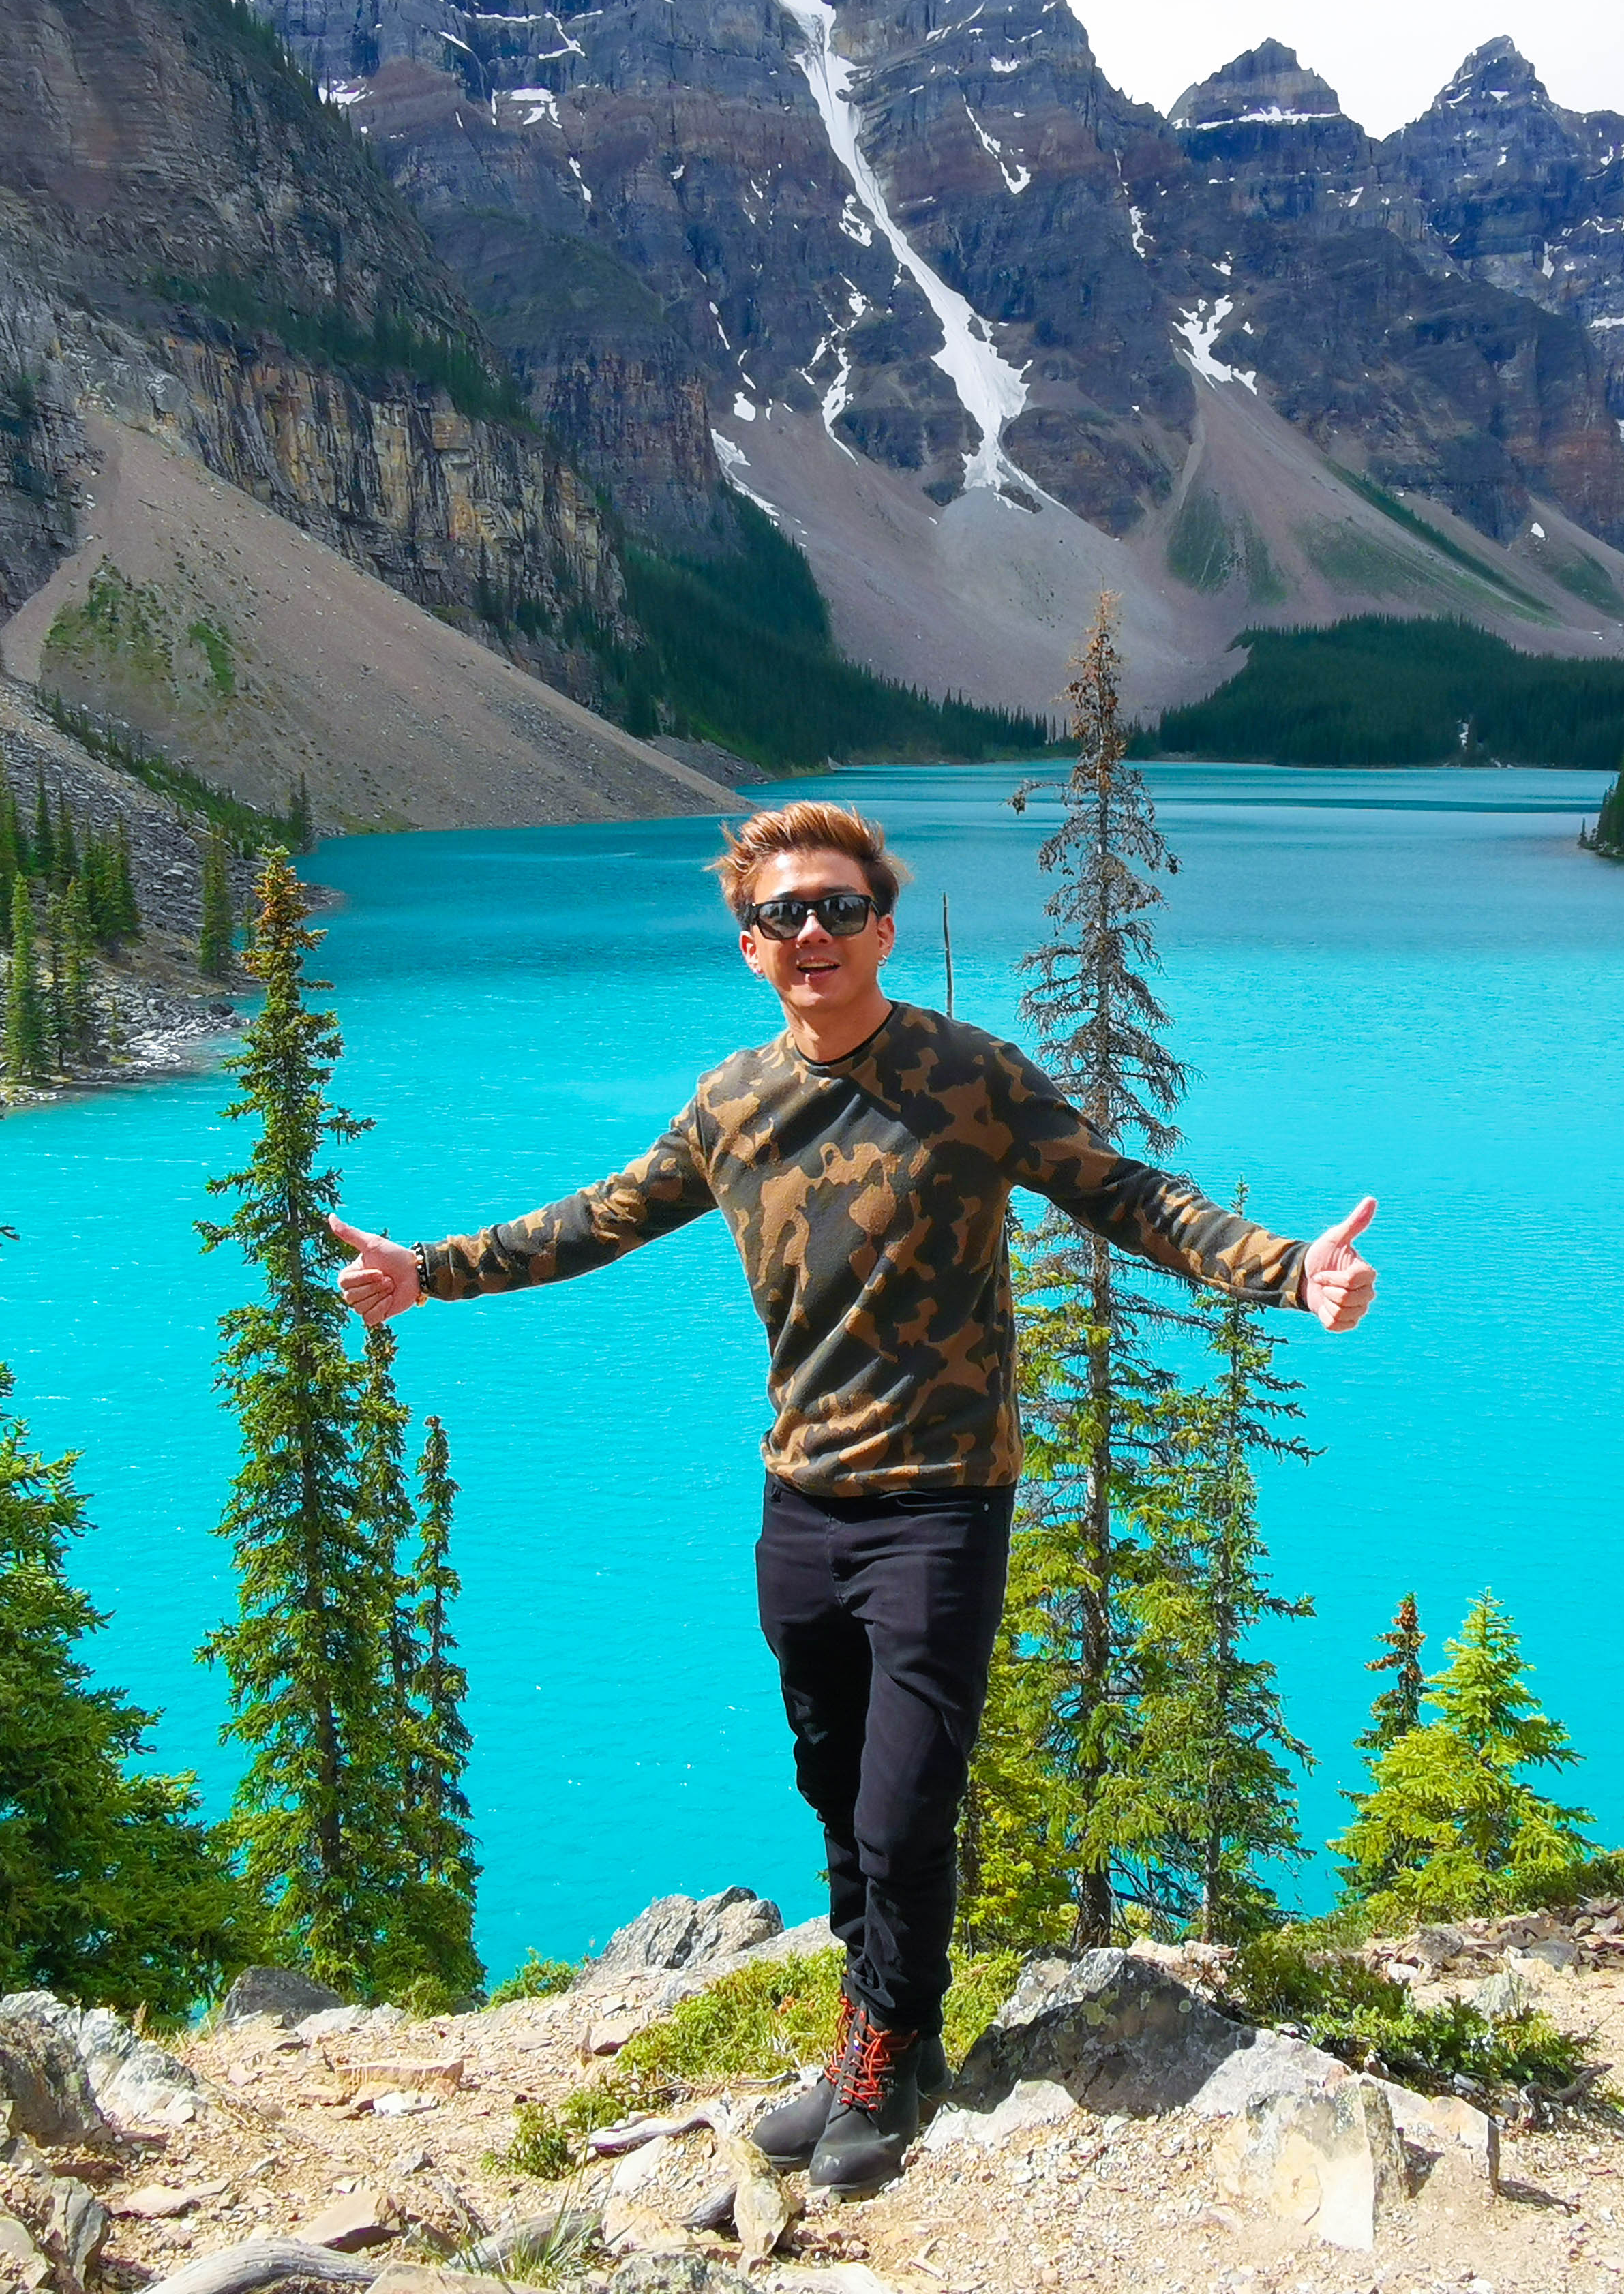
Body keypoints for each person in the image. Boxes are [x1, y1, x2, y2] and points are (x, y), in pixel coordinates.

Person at [331, 799, 1379, 2195]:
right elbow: (595, 1219)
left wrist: (1283, 1267)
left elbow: (1121, 1191)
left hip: (944, 1501)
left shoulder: (969, 1075)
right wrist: (430, 1272)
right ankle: (861, 2033)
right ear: (749, 943)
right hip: (803, 1502)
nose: (809, 932)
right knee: (835, 1790)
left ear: (881, 926)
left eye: (835, 907)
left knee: (902, 1804)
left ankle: (894, 2055)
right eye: (781, 914)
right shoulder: (731, 1104)